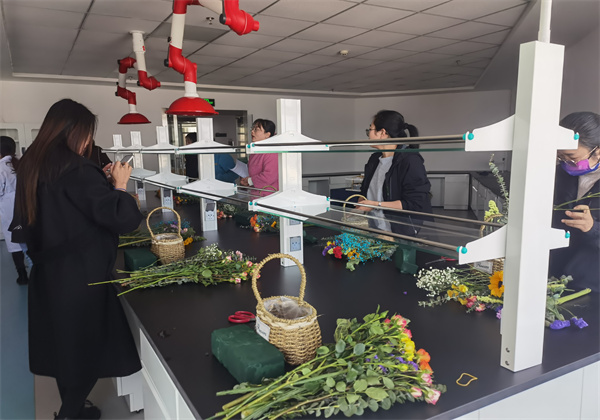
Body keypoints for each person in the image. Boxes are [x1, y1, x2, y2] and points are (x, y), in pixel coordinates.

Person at [10, 99, 143, 419]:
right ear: (76, 132)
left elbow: (65, 209)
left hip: (48, 272)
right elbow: (121, 218)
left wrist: (102, 184)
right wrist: (120, 185)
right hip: (81, 276)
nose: (88, 142)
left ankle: (73, 409)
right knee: (88, 349)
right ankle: (69, 414)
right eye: (88, 135)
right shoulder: (78, 169)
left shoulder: (32, 166)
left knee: (64, 349)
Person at [356, 110, 433, 237]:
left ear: (383, 133)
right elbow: (365, 191)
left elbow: (415, 203)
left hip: (401, 234)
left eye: (370, 130)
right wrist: (361, 203)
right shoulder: (374, 160)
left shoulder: (410, 160)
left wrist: (375, 205)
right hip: (376, 230)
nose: (368, 134)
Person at [550, 111, 600, 292]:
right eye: (561, 157)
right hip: (555, 272)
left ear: (597, 151)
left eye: (572, 158)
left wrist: (592, 228)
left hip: (591, 283)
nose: (566, 163)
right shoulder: (558, 174)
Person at [0, 136, 28, 284]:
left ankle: (22, 275)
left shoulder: (1, 167)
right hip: (26, 206)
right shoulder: (21, 163)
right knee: (27, 239)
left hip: (10, 209)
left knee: (14, 243)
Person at [240, 119, 278, 196]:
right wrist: (247, 180)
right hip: (255, 194)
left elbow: (269, 176)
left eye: (256, 130)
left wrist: (250, 181)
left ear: (267, 134)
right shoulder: (255, 151)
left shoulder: (271, 152)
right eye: (252, 129)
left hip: (268, 196)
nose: (252, 132)